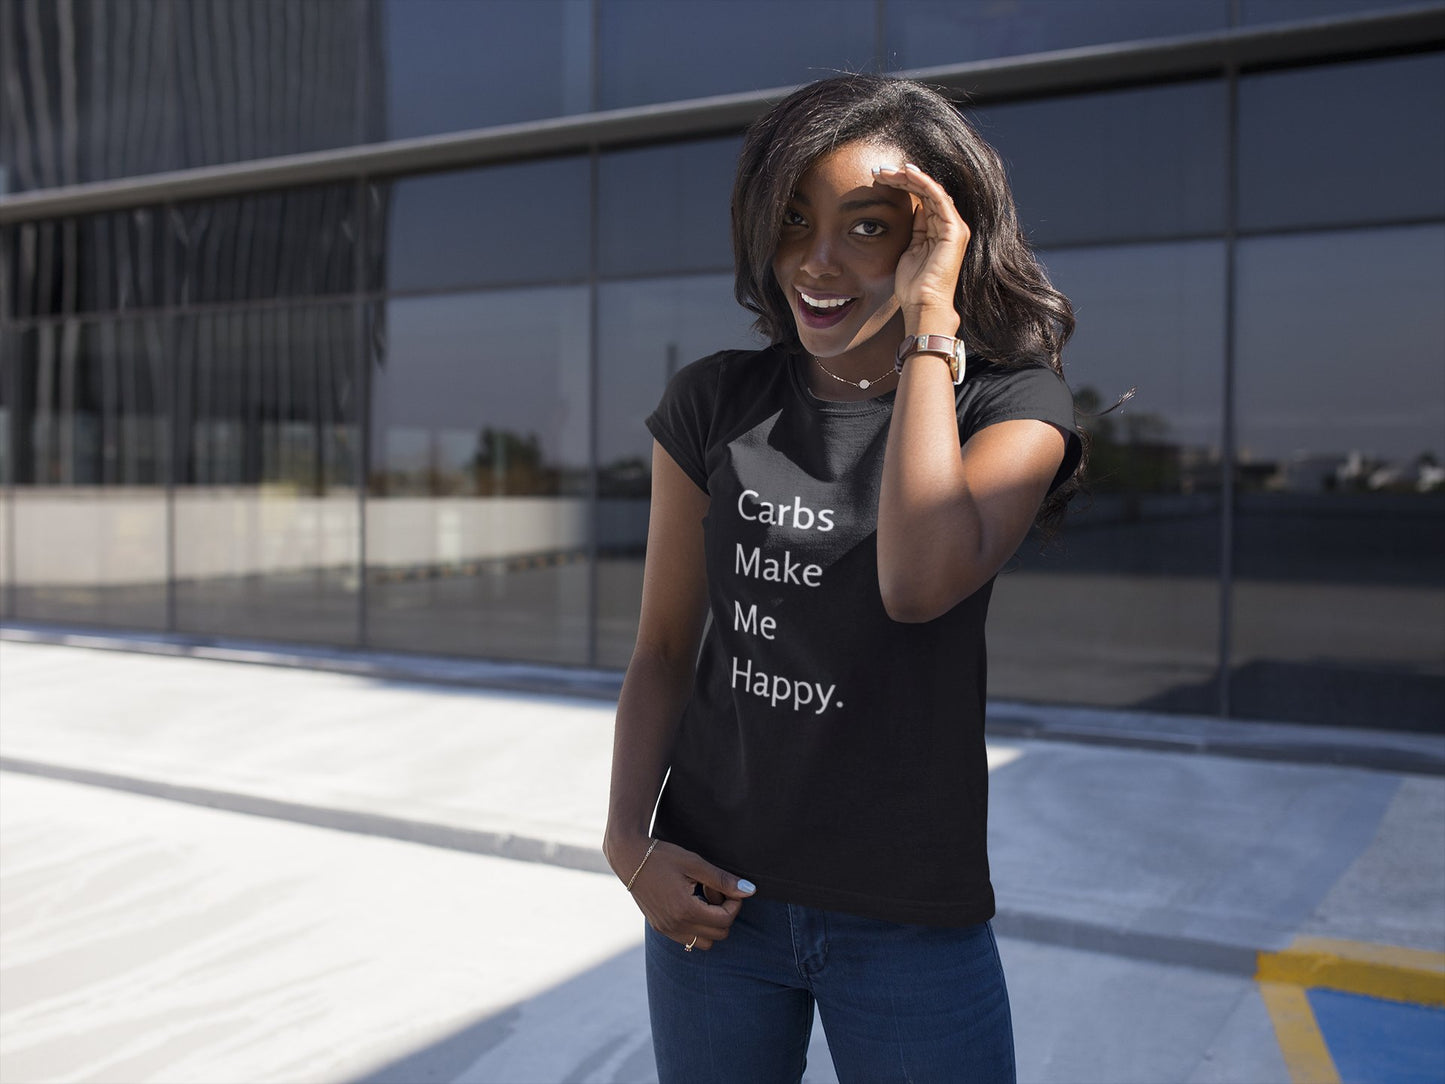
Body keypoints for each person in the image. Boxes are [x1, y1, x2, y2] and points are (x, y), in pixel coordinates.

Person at [603, 73, 1084, 1084]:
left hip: (905, 923)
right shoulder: (712, 401)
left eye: (866, 228)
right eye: (789, 221)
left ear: (933, 241)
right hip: (712, 903)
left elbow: (917, 579)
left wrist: (927, 328)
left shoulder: (1014, 407)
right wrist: (626, 844)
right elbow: (660, 649)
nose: (814, 264)